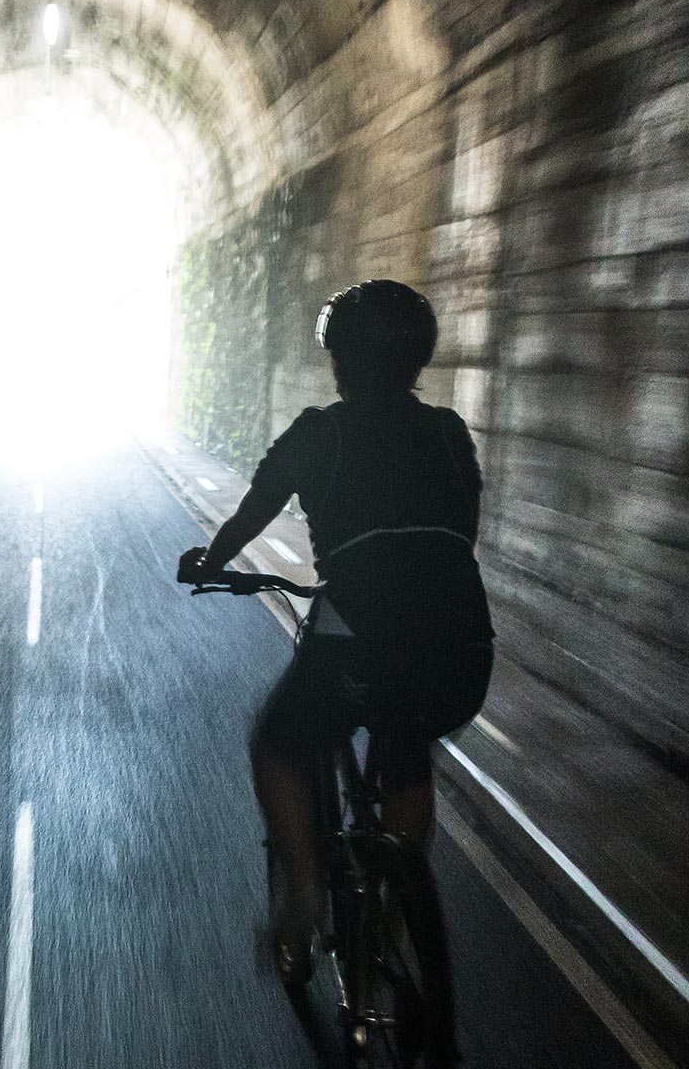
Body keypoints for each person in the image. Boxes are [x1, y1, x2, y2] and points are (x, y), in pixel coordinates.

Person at [177, 279, 494, 984]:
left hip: (363, 641)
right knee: (406, 743)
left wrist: (212, 562)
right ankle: (390, 908)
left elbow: (253, 512)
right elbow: (459, 533)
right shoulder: (449, 432)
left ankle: (300, 902)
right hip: (464, 649)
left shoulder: (321, 432)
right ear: (417, 361)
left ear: (341, 361)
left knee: (279, 743)